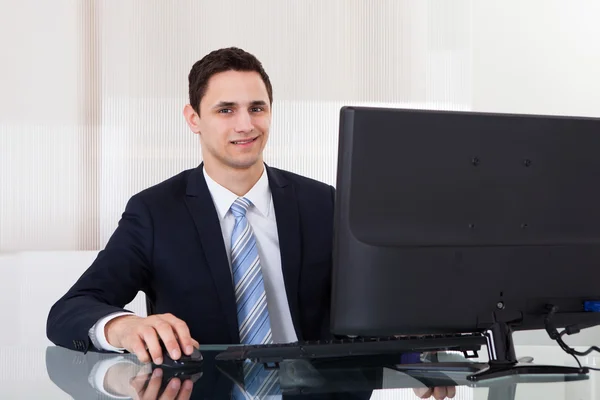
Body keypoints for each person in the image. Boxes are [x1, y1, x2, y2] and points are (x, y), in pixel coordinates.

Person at [47, 47, 454, 400]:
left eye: (257, 108)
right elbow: (69, 311)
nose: (246, 125)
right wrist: (125, 327)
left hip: (321, 394)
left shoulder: (323, 202)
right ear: (193, 118)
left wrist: (413, 351)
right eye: (226, 110)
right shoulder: (154, 212)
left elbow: (375, 308)